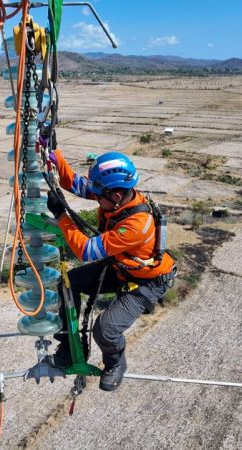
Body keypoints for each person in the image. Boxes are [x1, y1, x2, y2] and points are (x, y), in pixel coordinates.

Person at [46, 149, 174, 392]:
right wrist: (54, 154)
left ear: (115, 194)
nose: (94, 196)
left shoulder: (135, 225)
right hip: (122, 268)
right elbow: (73, 183)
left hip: (148, 282)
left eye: (98, 193)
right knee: (68, 283)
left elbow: (86, 250)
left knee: (106, 330)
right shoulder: (116, 198)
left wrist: (62, 216)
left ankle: (116, 364)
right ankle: (71, 347)